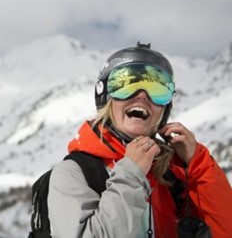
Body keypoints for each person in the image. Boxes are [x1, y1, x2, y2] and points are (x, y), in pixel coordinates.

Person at [47, 42, 232, 237]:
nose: (142, 96)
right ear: (105, 97)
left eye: (158, 90)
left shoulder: (170, 176)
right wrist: (131, 174)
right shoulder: (76, 173)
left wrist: (198, 165)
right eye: (126, 85)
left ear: (165, 109)